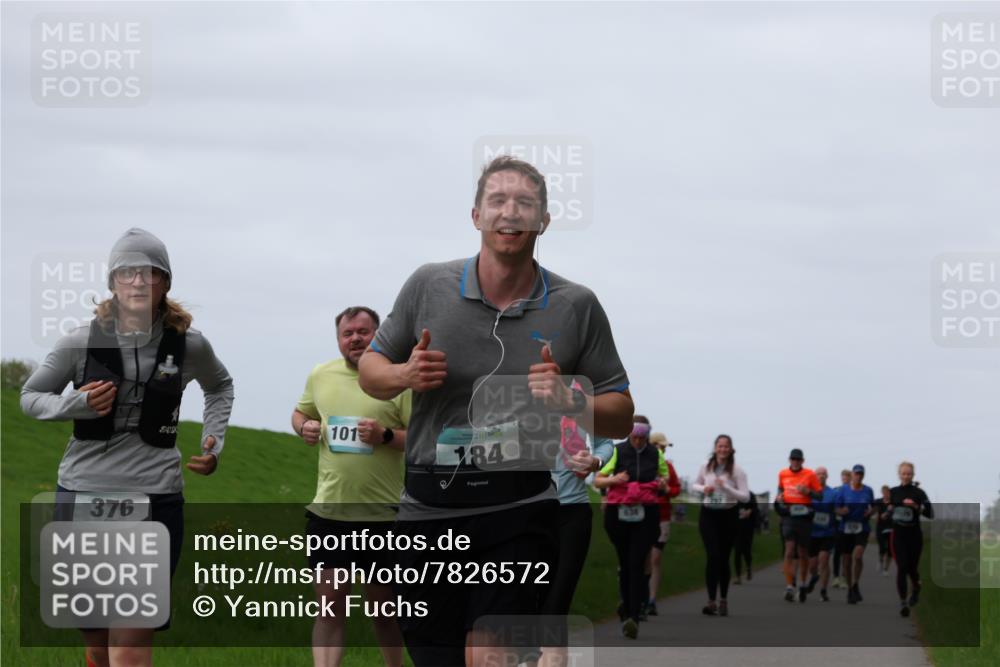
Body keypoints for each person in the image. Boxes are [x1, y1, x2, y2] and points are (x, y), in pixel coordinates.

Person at [357, 155, 634, 667]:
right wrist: (405, 375)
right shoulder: (428, 285)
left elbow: (621, 414)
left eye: (525, 203)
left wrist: (572, 399)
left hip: (519, 507)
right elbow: (371, 369)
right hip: (429, 506)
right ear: (476, 215)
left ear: (544, 220)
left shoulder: (576, 305)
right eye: (498, 200)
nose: (511, 212)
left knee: (490, 654)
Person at [20, 228, 234, 667]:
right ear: (113, 282)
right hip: (83, 494)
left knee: (131, 639)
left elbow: (220, 386)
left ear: (165, 282)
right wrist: (75, 404)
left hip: (155, 495)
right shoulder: (79, 341)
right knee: (97, 638)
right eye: (127, 272)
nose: (138, 281)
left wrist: (213, 439)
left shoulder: (190, 344)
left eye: (150, 272)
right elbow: (30, 396)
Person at [292, 306, 411, 667]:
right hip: (330, 513)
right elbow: (301, 413)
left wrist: (384, 435)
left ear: (378, 335)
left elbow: (419, 439)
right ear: (339, 339)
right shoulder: (321, 374)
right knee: (330, 607)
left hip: (383, 516)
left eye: (363, 331)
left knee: (384, 611)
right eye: (348, 333)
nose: (356, 339)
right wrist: (304, 427)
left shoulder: (396, 379)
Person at [535, 409, 614, 667]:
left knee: (555, 608)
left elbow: (605, 443)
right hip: (528, 514)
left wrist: (595, 461)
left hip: (572, 514)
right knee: (529, 606)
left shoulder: (581, 399)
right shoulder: (517, 397)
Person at [594, 417, 668, 638]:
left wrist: (662, 484)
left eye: (642, 437)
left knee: (636, 563)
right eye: (634, 436)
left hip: (646, 516)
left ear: (647, 435)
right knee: (625, 563)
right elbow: (598, 480)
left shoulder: (655, 454)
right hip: (618, 515)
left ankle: (633, 616)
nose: (637, 441)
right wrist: (614, 479)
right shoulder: (617, 452)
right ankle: (627, 608)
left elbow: (664, 481)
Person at [691, 434, 751, 617]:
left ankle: (723, 599)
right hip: (708, 515)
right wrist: (704, 488)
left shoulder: (737, 471)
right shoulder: (706, 466)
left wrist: (726, 488)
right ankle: (711, 601)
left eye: (726, 446)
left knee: (724, 558)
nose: (723, 449)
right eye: (720, 446)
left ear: (731, 449)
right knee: (713, 556)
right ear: (715, 448)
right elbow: (694, 485)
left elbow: (745, 497)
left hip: (728, 516)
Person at [776, 448, 823, 603]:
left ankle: (802, 583)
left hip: (804, 517)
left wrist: (807, 491)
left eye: (798, 459)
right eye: (793, 459)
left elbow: (820, 496)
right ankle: (789, 586)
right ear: (789, 460)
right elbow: (780, 491)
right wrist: (779, 498)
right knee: (789, 550)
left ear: (802, 461)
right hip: (789, 516)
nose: (795, 462)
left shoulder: (810, 474)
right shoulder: (783, 474)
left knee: (803, 553)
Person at [889, 461, 933, 617]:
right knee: (902, 567)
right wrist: (888, 510)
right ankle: (903, 603)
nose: (906, 476)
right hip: (898, 534)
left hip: (914, 535)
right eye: (903, 473)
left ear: (913, 475)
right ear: (899, 475)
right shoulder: (893, 492)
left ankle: (916, 588)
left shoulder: (919, 493)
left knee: (912, 568)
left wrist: (916, 507)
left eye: (909, 473)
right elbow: (886, 509)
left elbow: (931, 514)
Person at [646, 432, 680, 615]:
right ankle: (638, 597)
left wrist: (667, 489)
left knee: (655, 558)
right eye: (661, 446)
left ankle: (652, 599)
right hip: (642, 515)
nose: (663, 450)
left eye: (664, 447)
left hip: (662, 516)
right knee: (641, 558)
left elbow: (676, 489)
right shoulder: (642, 464)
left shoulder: (668, 466)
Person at [834, 464, 875, 604]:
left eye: (861, 474)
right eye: (856, 473)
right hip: (845, 528)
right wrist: (841, 511)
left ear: (863, 475)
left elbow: (874, 507)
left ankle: (856, 583)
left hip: (862, 528)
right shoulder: (843, 490)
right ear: (852, 474)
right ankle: (851, 589)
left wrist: (870, 512)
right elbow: (836, 508)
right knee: (846, 561)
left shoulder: (868, 490)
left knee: (857, 556)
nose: (858, 476)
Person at [805, 466, 837, 602]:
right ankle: (814, 577)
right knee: (812, 565)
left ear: (827, 476)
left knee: (824, 560)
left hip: (828, 532)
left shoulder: (833, 493)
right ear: (814, 476)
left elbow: (837, 509)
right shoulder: (809, 492)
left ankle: (823, 590)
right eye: (819, 474)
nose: (821, 476)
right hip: (812, 533)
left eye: (824, 474)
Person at [831, 468, 851, 589]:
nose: (845, 479)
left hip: (849, 524)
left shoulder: (853, 491)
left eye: (847, 477)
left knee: (846, 553)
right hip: (837, 524)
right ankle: (836, 577)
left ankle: (844, 577)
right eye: (843, 477)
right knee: (837, 551)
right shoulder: (835, 490)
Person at [733, 495, 759, 585]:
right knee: (737, 552)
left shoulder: (750, 495)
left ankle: (748, 568)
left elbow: (755, 508)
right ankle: (738, 577)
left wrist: (750, 511)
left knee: (746, 551)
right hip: (736, 527)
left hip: (748, 527)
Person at [874, 485, 894, 576]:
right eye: (884, 492)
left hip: (891, 527)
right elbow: (872, 508)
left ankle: (886, 569)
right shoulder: (878, 501)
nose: (886, 494)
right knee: (882, 547)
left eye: (887, 492)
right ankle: (880, 560)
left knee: (890, 549)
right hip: (880, 527)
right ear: (882, 493)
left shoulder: (893, 502)